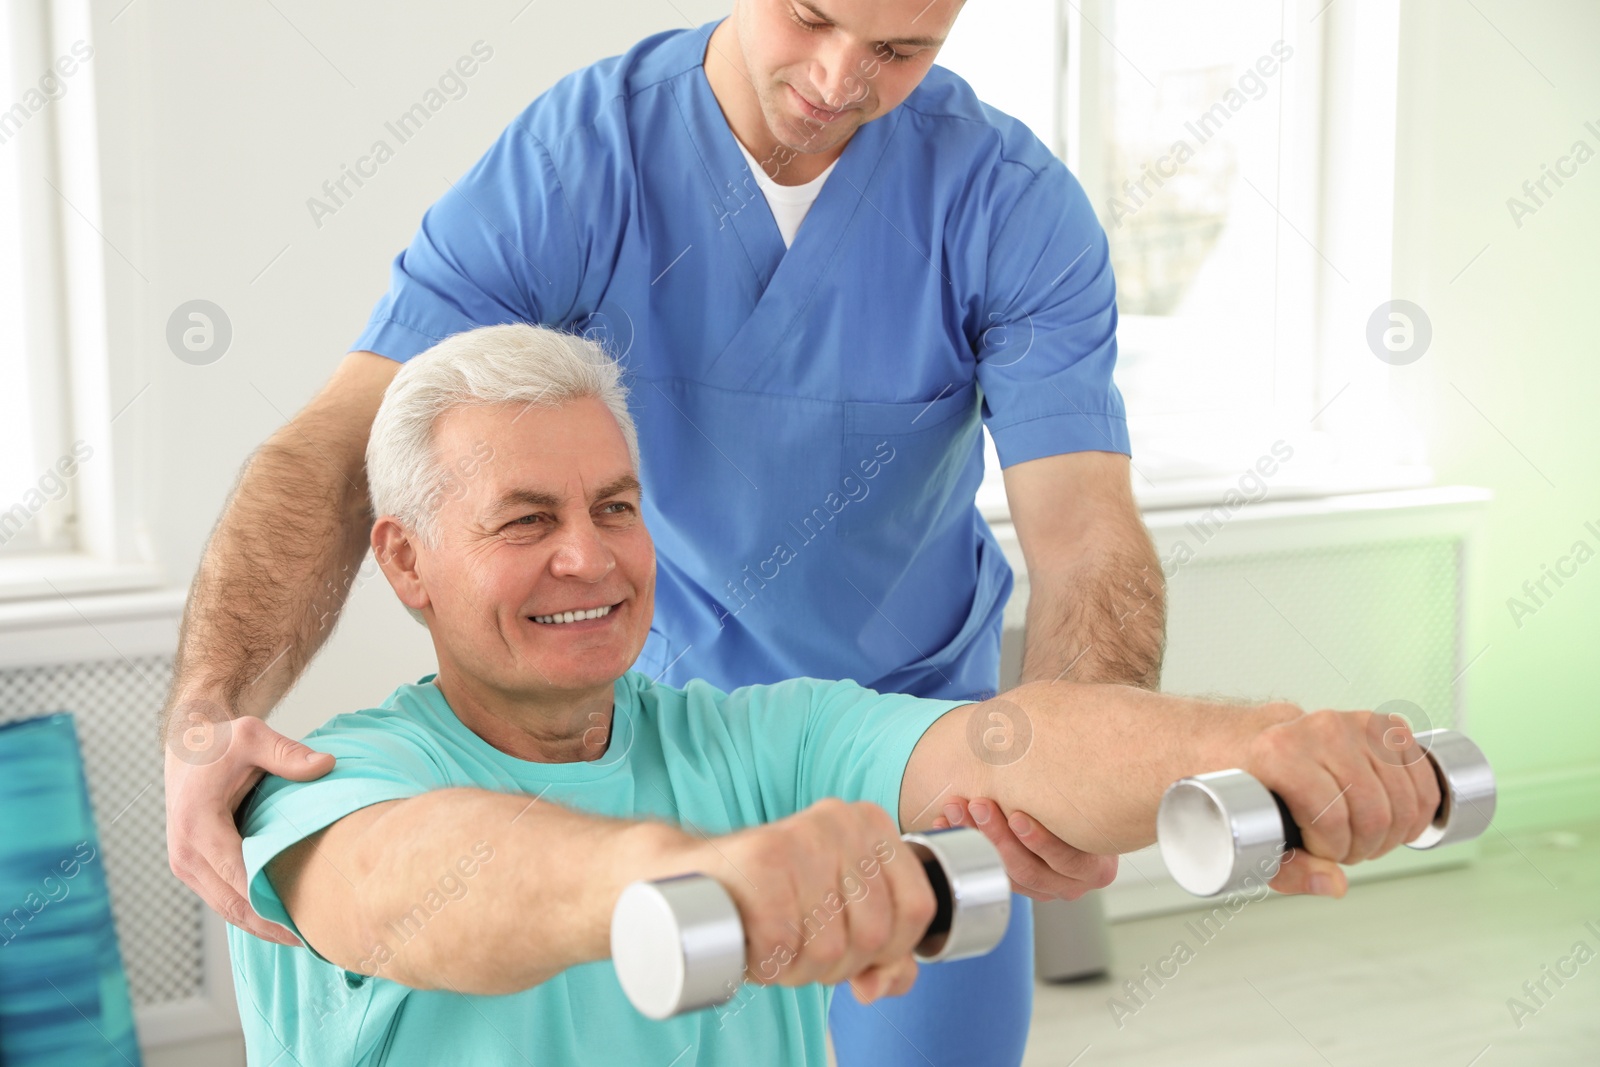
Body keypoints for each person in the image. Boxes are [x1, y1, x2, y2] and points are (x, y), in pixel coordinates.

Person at [164, 3, 1163, 1063]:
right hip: (668, 758)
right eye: (812, 17)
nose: (837, 78)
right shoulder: (580, 164)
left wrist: (1080, 759)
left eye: (898, 51)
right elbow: (341, 441)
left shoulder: (1007, 203)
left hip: (914, 761)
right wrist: (209, 708)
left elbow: (1086, 531)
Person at [228, 324, 1438, 1066]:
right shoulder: (322, 791)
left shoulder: (760, 737)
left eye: (615, 506)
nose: (589, 557)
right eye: (525, 520)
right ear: (403, 561)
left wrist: (1265, 743)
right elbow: (430, 881)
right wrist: (678, 875)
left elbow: (1011, 743)